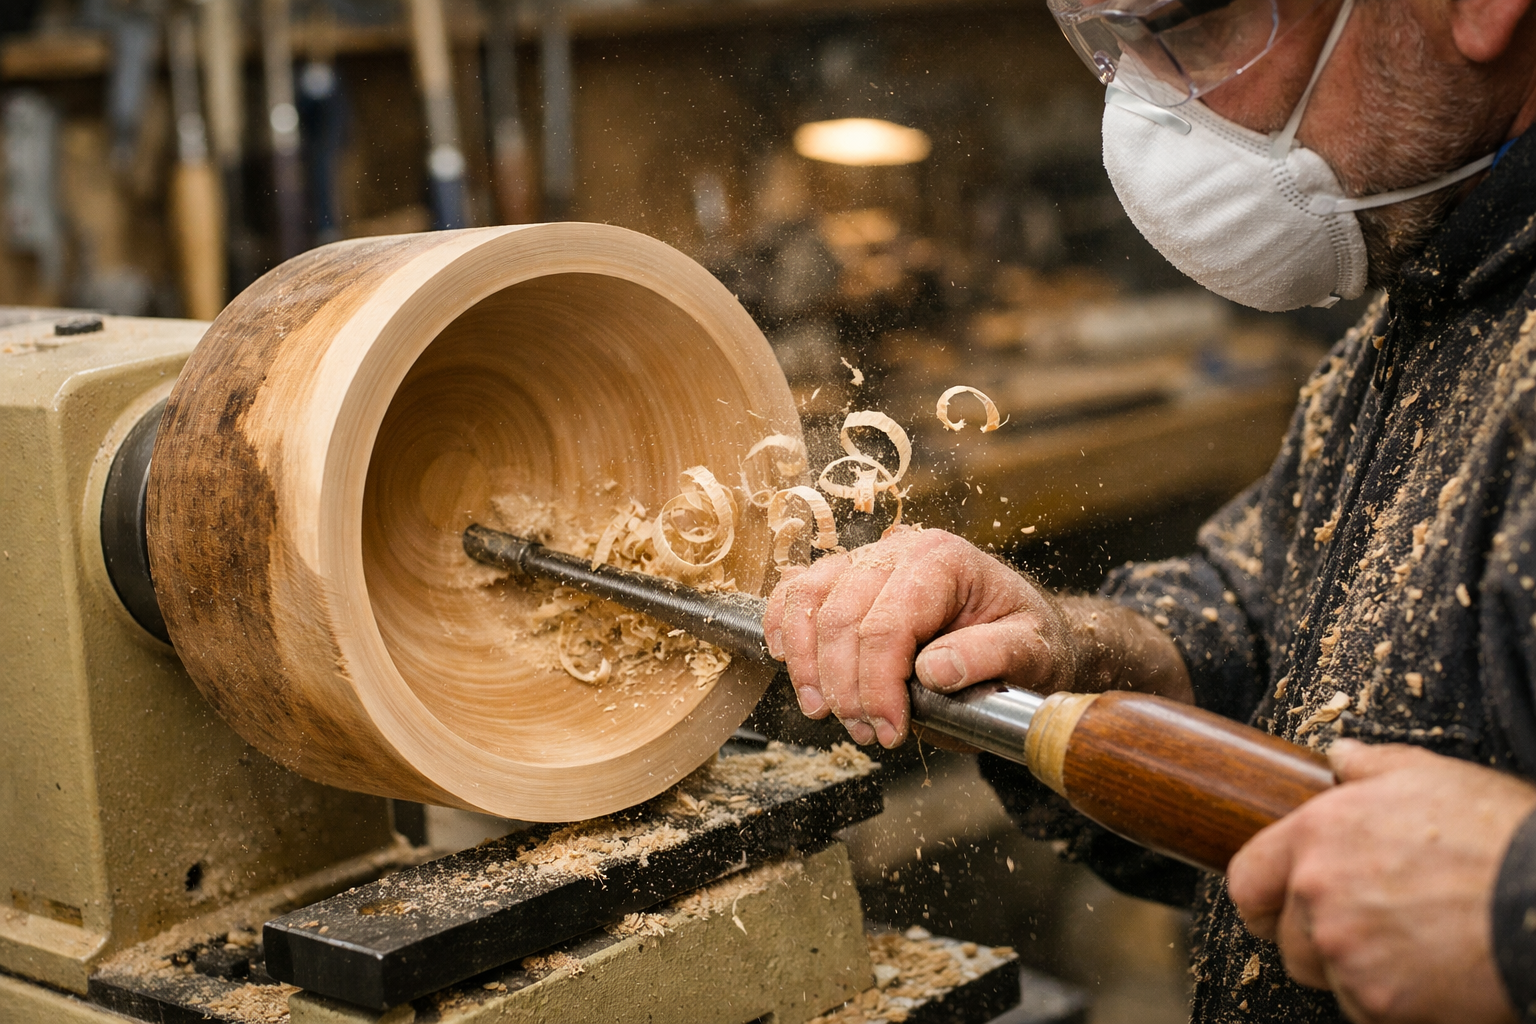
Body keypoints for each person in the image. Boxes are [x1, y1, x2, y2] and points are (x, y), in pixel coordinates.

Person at [764, 1, 1536, 1021]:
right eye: (1107, 42)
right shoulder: (1440, 287)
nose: (1149, 107)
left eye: (1194, 31)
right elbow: (1272, 636)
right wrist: (1066, 651)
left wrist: (1514, 907)